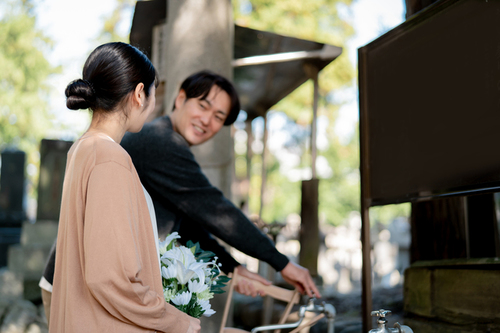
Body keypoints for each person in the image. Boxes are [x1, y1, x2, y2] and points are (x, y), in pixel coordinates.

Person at [41, 70, 320, 320]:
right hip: (82, 285)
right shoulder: (160, 141)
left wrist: (232, 268)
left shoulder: (165, 143)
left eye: (218, 117)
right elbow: (216, 210)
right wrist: (282, 263)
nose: (207, 121)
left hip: (82, 280)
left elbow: (189, 226)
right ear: (180, 98)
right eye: (203, 106)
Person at [47, 42, 200, 333]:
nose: (153, 106)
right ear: (140, 93)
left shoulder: (83, 149)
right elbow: (109, 277)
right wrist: (177, 322)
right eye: (153, 94)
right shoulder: (110, 157)